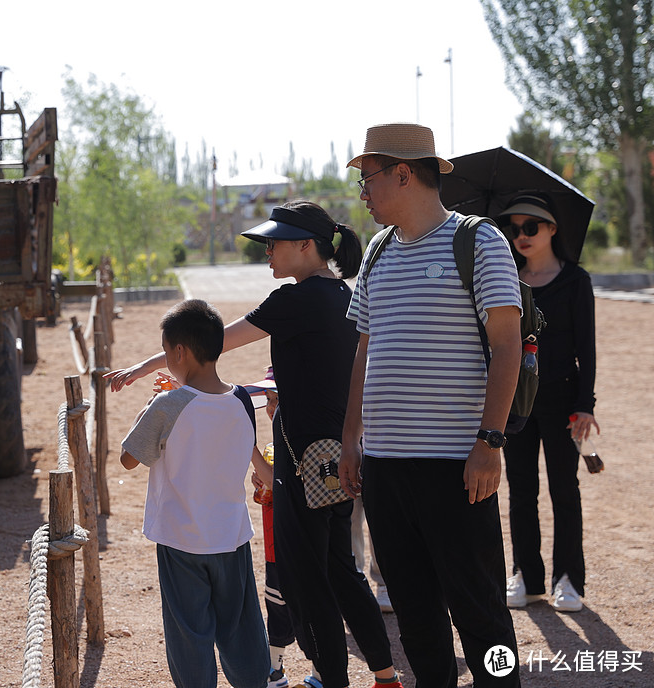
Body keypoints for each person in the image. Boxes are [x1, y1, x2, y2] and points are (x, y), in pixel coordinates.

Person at [111, 201, 402, 688]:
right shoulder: (342, 295)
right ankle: (385, 673)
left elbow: (209, 344)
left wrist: (142, 369)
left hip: (303, 457)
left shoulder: (294, 300)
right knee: (341, 569)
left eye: (275, 243)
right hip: (341, 452)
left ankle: (332, 678)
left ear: (306, 246)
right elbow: (323, 377)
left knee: (306, 582)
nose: (267, 252)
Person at [339, 123, 523, 687]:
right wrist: (352, 440)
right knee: (416, 620)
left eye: (368, 178)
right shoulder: (376, 252)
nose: (362, 194)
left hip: (458, 467)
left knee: (481, 613)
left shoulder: (479, 241)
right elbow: (363, 353)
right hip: (387, 469)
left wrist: (489, 443)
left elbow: (507, 346)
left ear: (402, 172)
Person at [119, 298, 272, 688]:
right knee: (240, 627)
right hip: (231, 537)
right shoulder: (240, 399)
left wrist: (156, 404)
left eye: (168, 352)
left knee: (190, 633)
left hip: (180, 540)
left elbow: (129, 459)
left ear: (179, 352)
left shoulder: (168, 404)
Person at [496, 194, 598, 613]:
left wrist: (585, 405)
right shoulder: (506, 279)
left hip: (561, 399)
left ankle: (568, 580)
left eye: (530, 227)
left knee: (564, 489)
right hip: (516, 400)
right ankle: (527, 576)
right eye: (514, 228)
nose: (521, 235)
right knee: (520, 491)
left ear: (553, 229)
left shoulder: (576, 281)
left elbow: (586, 350)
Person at [247, 367, 301, 688]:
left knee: (293, 604)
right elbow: (268, 486)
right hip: (274, 541)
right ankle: (275, 668)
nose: (271, 407)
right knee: (276, 603)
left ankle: (321, 671)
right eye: (268, 399)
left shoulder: (299, 438)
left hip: (291, 543)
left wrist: (251, 453)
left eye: (276, 399)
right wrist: (261, 476)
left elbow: (281, 486)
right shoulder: (280, 437)